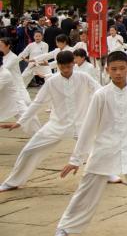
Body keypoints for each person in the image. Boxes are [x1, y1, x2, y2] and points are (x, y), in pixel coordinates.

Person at [47, 50, 127, 236]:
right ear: (107, 70)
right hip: (104, 150)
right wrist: (76, 159)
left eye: (122, 69)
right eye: (114, 69)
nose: (118, 73)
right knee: (87, 190)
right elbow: (88, 128)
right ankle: (65, 228)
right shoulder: (101, 95)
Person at [0, 51, 102, 191]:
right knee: (29, 150)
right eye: (62, 67)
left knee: (97, 149)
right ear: (58, 65)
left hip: (81, 124)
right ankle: (12, 182)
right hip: (57, 125)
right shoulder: (52, 82)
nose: (66, 70)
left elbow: (99, 91)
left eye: (68, 66)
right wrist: (21, 122)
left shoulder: (83, 77)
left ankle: (107, 174)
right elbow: (37, 103)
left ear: (73, 63)